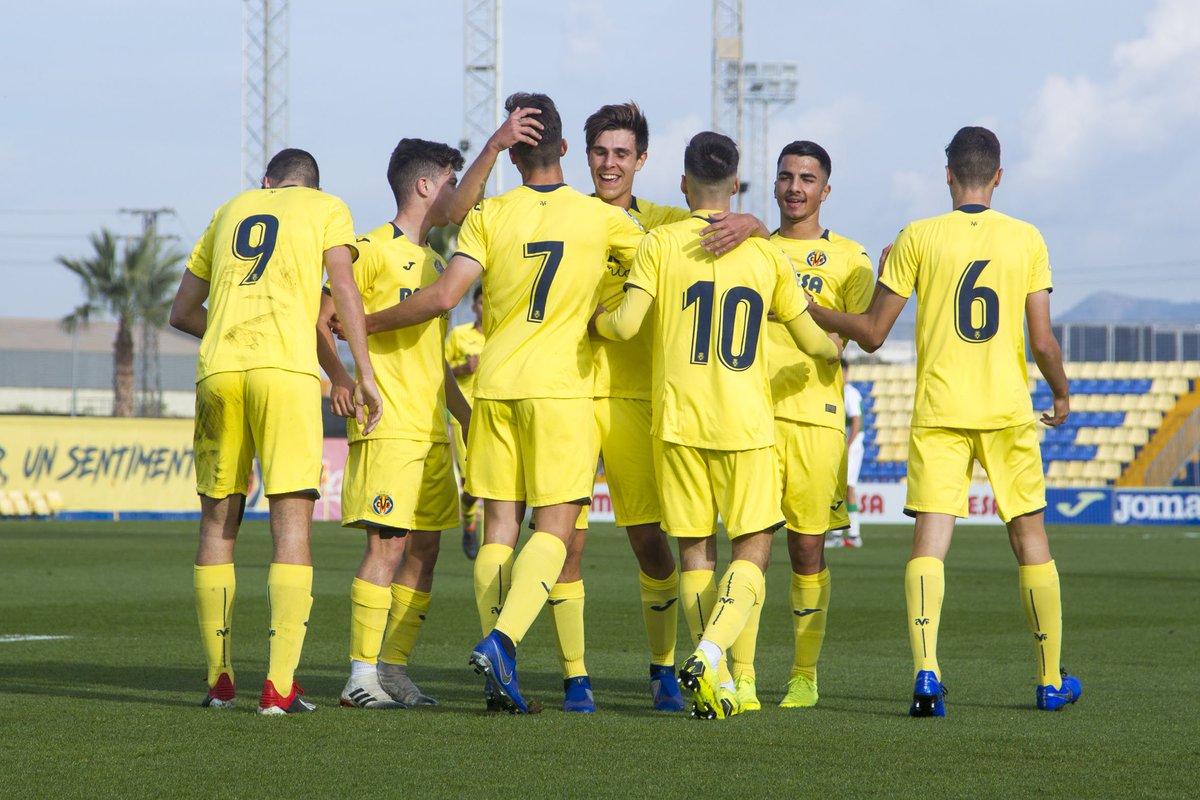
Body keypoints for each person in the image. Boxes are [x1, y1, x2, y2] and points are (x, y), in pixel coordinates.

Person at [346, 92, 645, 714]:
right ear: (567, 149)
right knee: (556, 529)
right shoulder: (601, 219)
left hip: (496, 389)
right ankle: (502, 642)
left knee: (499, 532)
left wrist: (364, 324)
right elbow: (667, 260)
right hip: (560, 391)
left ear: (513, 159)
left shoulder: (488, 215)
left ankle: (496, 681)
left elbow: (442, 297)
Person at [806, 126, 1081, 715]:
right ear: (998, 176)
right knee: (1030, 539)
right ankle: (1049, 680)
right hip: (1007, 410)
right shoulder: (1027, 238)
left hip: (940, 409)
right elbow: (1042, 341)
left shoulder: (918, 236)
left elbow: (872, 334)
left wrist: (812, 308)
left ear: (948, 174)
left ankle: (926, 674)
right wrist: (1061, 395)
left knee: (929, 542)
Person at [594, 131, 839, 720]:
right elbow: (815, 343)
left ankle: (721, 681)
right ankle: (709, 656)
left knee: (696, 554)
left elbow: (624, 327)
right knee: (752, 549)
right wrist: (832, 348)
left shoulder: (659, 243)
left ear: (683, 184)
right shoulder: (765, 254)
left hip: (677, 421)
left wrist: (595, 319)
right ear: (736, 184)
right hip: (744, 423)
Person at [536, 102, 770, 713]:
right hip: (569, 392)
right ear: (585, 156)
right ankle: (576, 677)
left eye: (622, 153)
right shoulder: (566, 213)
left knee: (650, 541)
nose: (609, 164)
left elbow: (725, 226)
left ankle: (665, 669)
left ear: (642, 160)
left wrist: (752, 222)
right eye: (600, 152)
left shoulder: (666, 223)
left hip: (639, 399)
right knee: (566, 542)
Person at [168, 148, 382, 715]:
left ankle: (219, 680)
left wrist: (232, 331)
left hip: (219, 371)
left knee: (218, 522)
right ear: (313, 187)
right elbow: (343, 290)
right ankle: (278, 685)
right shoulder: (326, 208)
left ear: (267, 182)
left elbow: (182, 311)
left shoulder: (229, 208)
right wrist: (361, 373)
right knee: (290, 523)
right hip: (285, 374)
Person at [317, 139, 477, 710]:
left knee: (425, 551)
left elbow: (433, 360)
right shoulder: (368, 249)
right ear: (426, 185)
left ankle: (394, 669)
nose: (460, 195)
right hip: (387, 424)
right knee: (387, 546)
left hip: (432, 430)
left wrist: (467, 418)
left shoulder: (439, 266)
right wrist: (340, 377)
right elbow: (321, 318)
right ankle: (359, 676)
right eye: (453, 182)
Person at [726, 140, 874, 711]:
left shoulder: (851, 258)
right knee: (749, 546)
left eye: (807, 179)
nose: (795, 187)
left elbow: (849, 337)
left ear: (825, 190)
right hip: (753, 416)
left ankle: (804, 676)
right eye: (786, 177)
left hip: (816, 419)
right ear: (774, 185)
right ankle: (742, 676)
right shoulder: (750, 248)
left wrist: (792, 301)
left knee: (807, 550)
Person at [445, 285, 485, 559]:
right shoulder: (459, 335)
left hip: (495, 413)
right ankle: (469, 520)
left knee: (494, 482)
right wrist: (462, 368)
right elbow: (439, 368)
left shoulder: (502, 336)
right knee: (471, 482)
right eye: (481, 303)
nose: (485, 308)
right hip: (464, 415)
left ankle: (492, 546)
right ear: (474, 306)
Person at [839, 359, 865, 548]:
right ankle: (840, 533)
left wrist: (848, 446)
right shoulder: (842, 392)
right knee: (841, 488)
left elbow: (857, 421)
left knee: (848, 487)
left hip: (852, 446)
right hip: (847, 444)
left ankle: (854, 534)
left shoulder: (850, 393)